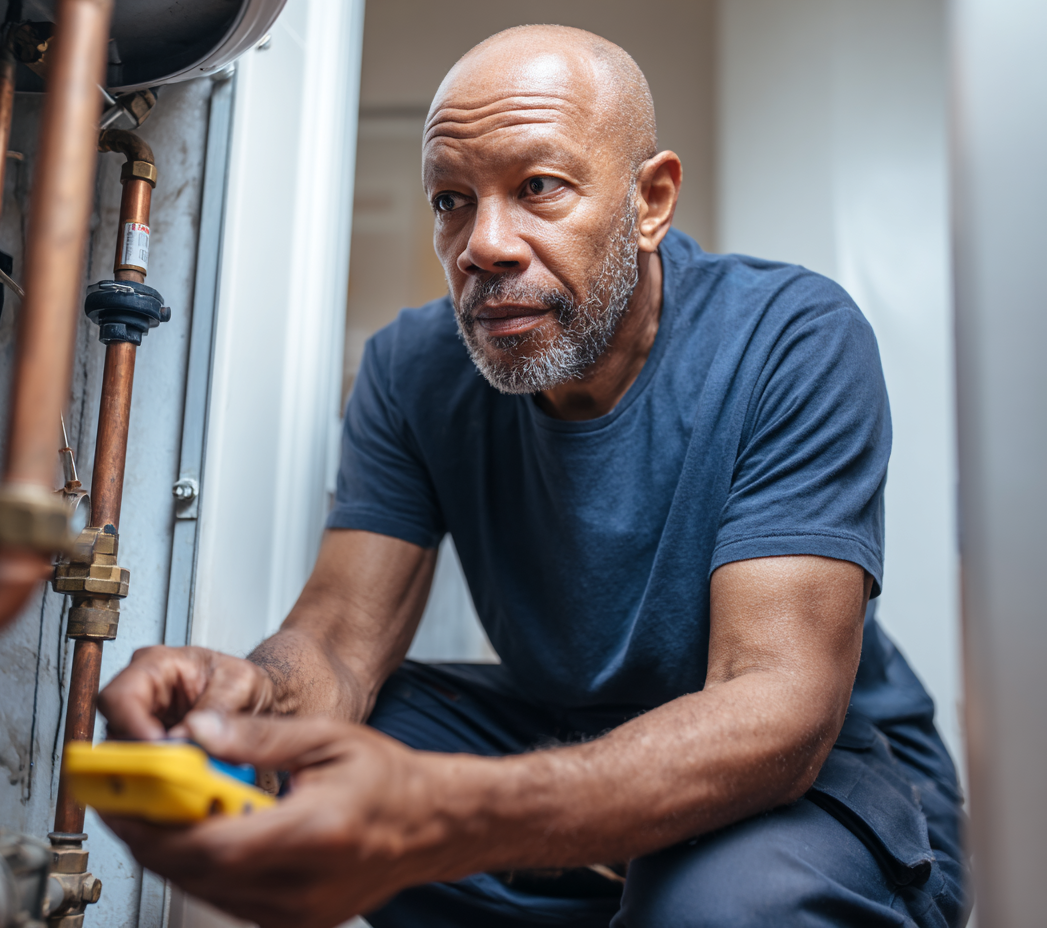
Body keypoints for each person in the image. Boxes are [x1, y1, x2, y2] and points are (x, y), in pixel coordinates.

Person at [97, 24, 966, 928]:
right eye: (452, 200)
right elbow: (342, 640)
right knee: (313, 755)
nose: (486, 244)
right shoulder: (409, 370)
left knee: (723, 906)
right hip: (572, 731)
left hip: (822, 766)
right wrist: (251, 699)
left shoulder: (791, 338)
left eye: (539, 188)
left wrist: (447, 812)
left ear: (650, 201)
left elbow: (777, 711)